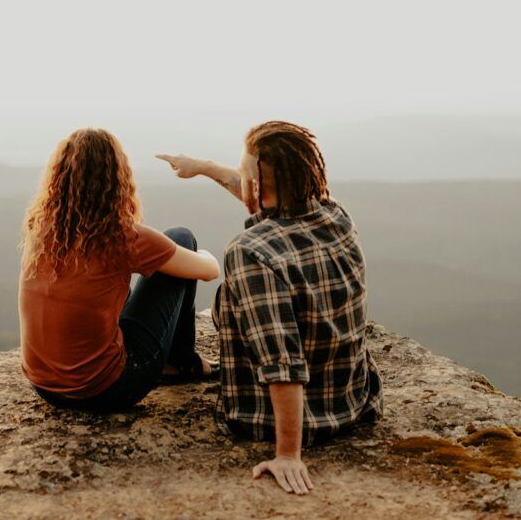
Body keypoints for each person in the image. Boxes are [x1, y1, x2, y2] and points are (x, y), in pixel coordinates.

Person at [157, 120, 383, 495]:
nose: (240, 179)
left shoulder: (251, 251)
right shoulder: (335, 215)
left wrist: (288, 454)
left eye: (245, 172)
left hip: (277, 418)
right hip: (353, 399)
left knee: (233, 295)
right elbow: (263, 196)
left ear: (258, 185)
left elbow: (283, 361)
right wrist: (204, 167)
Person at [19, 128, 220, 413]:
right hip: (105, 390)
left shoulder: (40, 228)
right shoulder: (122, 236)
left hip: (44, 386)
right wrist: (196, 255)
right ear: (116, 178)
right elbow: (210, 270)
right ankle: (180, 363)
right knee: (181, 237)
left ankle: (177, 362)